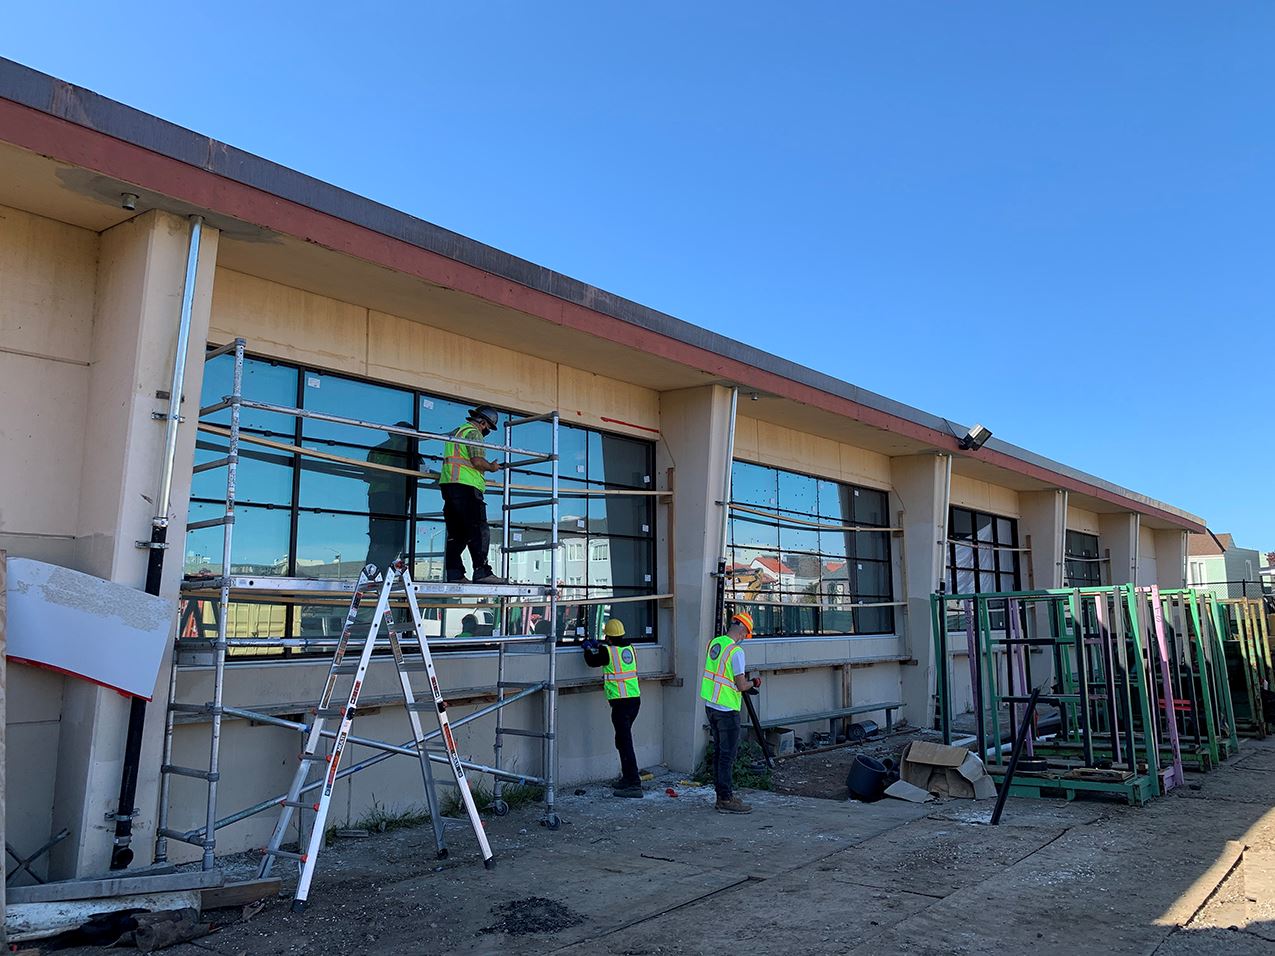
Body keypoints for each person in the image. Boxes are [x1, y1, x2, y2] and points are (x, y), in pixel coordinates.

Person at [700, 611, 761, 813]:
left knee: (719, 753)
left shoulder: (714, 643)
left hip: (711, 705)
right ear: (742, 629)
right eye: (746, 634)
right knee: (727, 756)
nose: (745, 638)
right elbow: (741, 684)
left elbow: (719, 674)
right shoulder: (736, 652)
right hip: (727, 709)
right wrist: (755, 682)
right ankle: (725, 799)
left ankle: (721, 796)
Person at [440, 405, 506, 585]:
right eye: (488, 428)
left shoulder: (457, 432)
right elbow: (476, 461)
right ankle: (482, 571)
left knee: (457, 533)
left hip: (449, 486)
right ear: (483, 422)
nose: (487, 431)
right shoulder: (473, 433)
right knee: (478, 530)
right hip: (467, 487)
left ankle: (454, 574)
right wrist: (492, 467)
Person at [583, 619, 643, 798]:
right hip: (634, 701)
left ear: (608, 637)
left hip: (621, 704)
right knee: (622, 741)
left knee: (625, 743)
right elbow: (612, 651)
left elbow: (592, 661)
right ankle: (627, 779)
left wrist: (587, 648)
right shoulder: (629, 648)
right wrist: (599, 645)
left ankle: (634, 783)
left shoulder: (607, 651)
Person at [364, 423, 413, 575]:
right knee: (394, 536)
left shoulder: (377, 449)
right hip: (395, 494)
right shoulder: (405, 447)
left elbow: (367, 474)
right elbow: (418, 468)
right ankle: (381, 570)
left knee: (379, 534)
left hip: (377, 495)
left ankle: (373, 569)